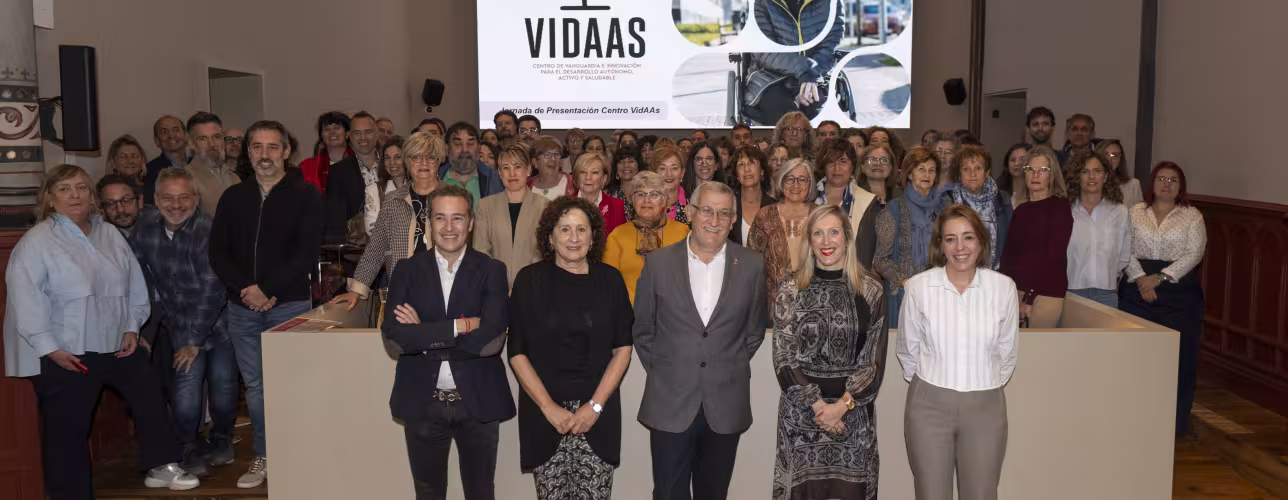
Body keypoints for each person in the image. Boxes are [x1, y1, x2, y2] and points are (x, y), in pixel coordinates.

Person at [4, 164, 199, 497]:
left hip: (114, 343)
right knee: (68, 430)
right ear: (50, 198)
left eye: (81, 187)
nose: (75, 195)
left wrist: (132, 327)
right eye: (65, 189)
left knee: (147, 389)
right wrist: (50, 348)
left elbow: (134, 285)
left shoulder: (108, 232)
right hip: (65, 350)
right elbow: (25, 298)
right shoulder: (37, 241)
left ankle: (161, 465)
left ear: (92, 195)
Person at [633, 181, 768, 500]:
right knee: (668, 493)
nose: (715, 220)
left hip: (725, 403)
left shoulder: (751, 265)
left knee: (714, 493)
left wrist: (721, 365)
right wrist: (671, 371)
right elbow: (643, 330)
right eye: (707, 210)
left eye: (724, 213)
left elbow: (754, 331)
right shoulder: (658, 263)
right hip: (670, 402)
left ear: (734, 219)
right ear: (691, 212)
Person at [382, 185, 515, 500]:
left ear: (471, 223)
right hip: (422, 400)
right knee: (427, 492)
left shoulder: (492, 270)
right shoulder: (407, 270)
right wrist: (459, 326)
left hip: (478, 401)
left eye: (458, 218)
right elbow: (394, 340)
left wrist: (425, 335)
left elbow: (491, 341)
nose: (449, 227)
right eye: (440, 218)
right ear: (430, 223)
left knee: (481, 492)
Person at [209, 120, 323, 488]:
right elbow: (217, 253)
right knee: (257, 387)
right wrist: (247, 289)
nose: (265, 155)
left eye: (272, 147)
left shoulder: (306, 195)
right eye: (256, 147)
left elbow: (305, 254)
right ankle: (266, 454)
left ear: (287, 151)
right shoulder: (233, 197)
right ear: (247, 152)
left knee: (295, 383)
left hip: (289, 304)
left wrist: (268, 289)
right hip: (242, 307)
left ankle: (302, 452)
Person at [508, 197, 634, 499]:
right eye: (564, 229)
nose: (573, 238)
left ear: (593, 237)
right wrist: (548, 408)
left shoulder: (611, 281)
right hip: (545, 417)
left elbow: (623, 350)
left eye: (581, 229)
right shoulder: (528, 281)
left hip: (596, 419)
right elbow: (517, 352)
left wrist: (595, 407)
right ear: (550, 237)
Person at [897, 204, 1019, 500]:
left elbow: (1007, 353)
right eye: (950, 239)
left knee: (981, 493)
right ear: (940, 244)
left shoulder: (1004, 288)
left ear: (981, 241)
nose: (960, 247)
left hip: (985, 407)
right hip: (928, 405)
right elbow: (907, 350)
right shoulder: (918, 288)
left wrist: (980, 383)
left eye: (968, 237)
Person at [771, 204, 887, 500]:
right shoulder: (790, 287)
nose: (826, 242)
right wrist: (817, 406)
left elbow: (874, 362)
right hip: (800, 419)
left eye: (833, 232)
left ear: (847, 237)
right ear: (808, 241)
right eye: (818, 234)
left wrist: (841, 407)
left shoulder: (872, 290)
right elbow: (784, 355)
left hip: (854, 418)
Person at [129, 167, 238, 477]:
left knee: (223, 387)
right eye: (168, 198)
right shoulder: (145, 227)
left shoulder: (208, 230)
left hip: (218, 322)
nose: (176, 205)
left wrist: (193, 341)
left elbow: (212, 290)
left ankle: (221, 438)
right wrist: (144, 328)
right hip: (177, 322)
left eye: (184, 198)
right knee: (187, 387)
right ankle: (187, 445)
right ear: (155, 199)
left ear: (197, 198)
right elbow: (140, 281)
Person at [1120, 161, 1206, 435]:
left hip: (1179, 293)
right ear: (1152, 183)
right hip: (1136, 290)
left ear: (1181, 186)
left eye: (1173, 180)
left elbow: (1194, 254)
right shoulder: (1134, 212)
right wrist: (1140, 278)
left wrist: (1158, 278)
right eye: (1161, 178)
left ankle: (1175, 423)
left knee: (1179, 360)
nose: (1166, 184)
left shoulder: (1192, 216)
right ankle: (1134, 419)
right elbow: (1124, 248)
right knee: (1136, 359)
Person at [331, 132, 445, 310]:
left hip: (446, 291)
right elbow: (376, 249)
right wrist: (357, 289)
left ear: (439, 161)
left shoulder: (455, 197)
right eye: (416, 157)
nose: (424, 163)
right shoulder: (393, 201)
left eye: (431, 157)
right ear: (407, 162)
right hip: (403, 293)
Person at [999, 145, 1073, 329]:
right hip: (1017, 292)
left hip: (1045, 293)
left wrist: (1030, 297)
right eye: (1030, 169)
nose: (1035, 175)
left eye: (1043, 170)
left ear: (1052, 175)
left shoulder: (1059, 207)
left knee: (1038, 353)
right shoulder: (1021, 209)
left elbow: (1053, 257)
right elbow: (1008, 256)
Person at [874, 146, 943, 327]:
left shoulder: (945, 208)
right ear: (910, 174)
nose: (927, 174)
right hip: (904, 294)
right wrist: (903, 281)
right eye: (921, 169)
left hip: (940, 293)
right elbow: (881, 259)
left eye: (931, 170)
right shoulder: (893, 209)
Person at [748, 0, 843, 123]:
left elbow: (831, 44)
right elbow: (764, 50)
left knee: (822, 121)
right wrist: (805, 69)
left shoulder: (831, 2)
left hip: (817, 76)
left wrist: (811, 76)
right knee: (786, 121)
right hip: (770, 79)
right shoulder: (760, 3)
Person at [603, 172, 691, 303]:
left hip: (673, 314)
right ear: (632, 199)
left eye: (654, 194)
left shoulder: (682, 233)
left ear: (664, 199)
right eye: (640, 194)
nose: (646, 200)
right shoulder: (618, 236)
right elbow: (607, 285)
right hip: (631, 315)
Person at [471, 142, 550, 288]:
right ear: (499, 173)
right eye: (506, 168)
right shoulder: (485, 205)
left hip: (534, 286)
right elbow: (481, 252)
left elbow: (544, 251)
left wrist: (523, 285)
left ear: (528, 170)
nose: (512, 173)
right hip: (495, 287)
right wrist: (498, 285)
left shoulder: (544, 205)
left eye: (517, 167)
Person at [1065, 151, 1130, 308]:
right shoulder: (1065, 211)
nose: (1091, 177)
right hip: (1071, 291)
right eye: (1085, 171)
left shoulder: (1120, 211)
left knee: (1105, 334)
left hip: (1106, 293)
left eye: (1097, 171)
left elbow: (1124, 255)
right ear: (1077, 177)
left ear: (1106, 177)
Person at [748, 159, 815, 309]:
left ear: (810, 183)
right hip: (772, 304)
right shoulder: (764, 216)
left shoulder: (820, 216)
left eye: (802, 179)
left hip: (814, 302)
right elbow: (751, 262)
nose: (796, 185)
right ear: (781, 181)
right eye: (790, 179)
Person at [943, 145, 1014, 269]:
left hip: (996, 273)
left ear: (987, 173)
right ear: (959, 174)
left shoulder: (1003, 199)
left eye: (978, 168)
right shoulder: (947, 201)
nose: (972, 174)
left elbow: (1011, 241)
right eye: (966, 169)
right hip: (958, 270)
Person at [815, 139, 880, 267]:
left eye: (843, 162)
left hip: (856, 278)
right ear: (824, 166)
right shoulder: (810, 199)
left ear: (853, 165)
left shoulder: (870, 204)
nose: (837, 168)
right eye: (831, 162)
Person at [324, 111, 382, 244]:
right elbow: (335, 220)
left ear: (376, 134)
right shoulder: (337, 172)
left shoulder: (392, 166)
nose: (363, 138)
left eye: (368, 132)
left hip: (394, 248)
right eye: (357, 133)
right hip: (356, 251)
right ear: (349, 135)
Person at [183, 112, 240, 217]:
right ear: (191, 143)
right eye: (203, 138)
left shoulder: (234, 177)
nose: (212, 144)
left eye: (216, 136)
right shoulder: (185, 179)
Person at [438, 121, 504, 207]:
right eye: (458, 144)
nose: (465, 150)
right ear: (447, 148)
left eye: (470, 143)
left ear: (479, 147)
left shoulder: (497, 179)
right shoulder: (436, 178)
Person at [298, 111, 352, 193]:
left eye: (337, 127)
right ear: (322, 137)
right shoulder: (306, 167)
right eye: (326, 129)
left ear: (347, 134)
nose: (332, 132)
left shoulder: (360, 164)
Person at [365, 135, 411, 233]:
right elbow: (370, 229)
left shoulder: (418, 187)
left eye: (398, 157)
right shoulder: (373, 189)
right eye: (387, 158)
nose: (392, 162)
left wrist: (384, 225)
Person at [730, 145, 775, 246]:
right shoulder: (728, 206)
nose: (746, 169)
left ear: (762, 171)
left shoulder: (775, 207)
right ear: (736, 174)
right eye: (741, 165)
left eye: (751, 163)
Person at [144, 115, 192, 205]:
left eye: (176, 130)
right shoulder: (149, 171)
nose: (171, 135)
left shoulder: (200, 165)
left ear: (186, 136)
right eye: (164, 132)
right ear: (157, 141)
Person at [576, 152, 627, 234]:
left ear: (604, 178)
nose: (588, 177)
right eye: (583, 172)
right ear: (577, 177)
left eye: (594, 172)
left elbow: (622, 241)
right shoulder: (564, 205)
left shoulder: (617, 206)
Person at [1095, 139, 1142, 209]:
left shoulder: (1133, 185)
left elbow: (1139, 216)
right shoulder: (1088, 183)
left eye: (1115, 155)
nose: (1109, 159)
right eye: (1105, 154)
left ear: (1120, 160)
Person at [652, 144, 691, 226]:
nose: (669, 174)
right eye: (663, 168)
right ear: (655, 172)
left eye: (674, 168)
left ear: (682, 173)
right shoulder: (645, 202)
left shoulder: (693, 202)